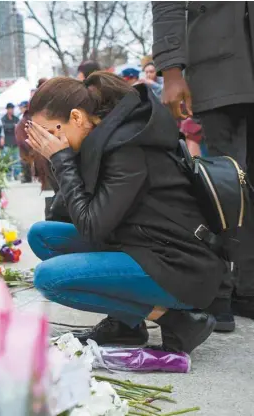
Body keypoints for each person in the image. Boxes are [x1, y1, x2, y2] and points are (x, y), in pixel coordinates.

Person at [24, 72, 228, 353]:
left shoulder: (127, 150)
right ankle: (126, 325)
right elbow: (67, 213)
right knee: (42, 236)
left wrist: (62, 160)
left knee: (50, 279)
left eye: (49, 132)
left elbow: (92, 226)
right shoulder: (102, 141)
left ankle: (178, 319)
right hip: (142, 244)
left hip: (179, 266)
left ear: (77, 118)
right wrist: (61, 161)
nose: (47, 142)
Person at [152, 2, 254, 329]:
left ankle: (247, 288)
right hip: (220, 69)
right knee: (225, 185)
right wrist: (170, 70)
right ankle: (220, 290)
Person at [1, 103, 21, 179]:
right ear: (7, 109)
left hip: (15, 141)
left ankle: (17, 175)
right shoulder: (3, 118)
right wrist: (13, 126)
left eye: (12, 109)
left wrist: (11, 127)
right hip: (7, 141)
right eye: (10, 109)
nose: (11, 110)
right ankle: (8, 175)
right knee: (7, 159)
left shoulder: (16, 118)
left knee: (16, 160)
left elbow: (19, 127)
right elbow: (4, 128)